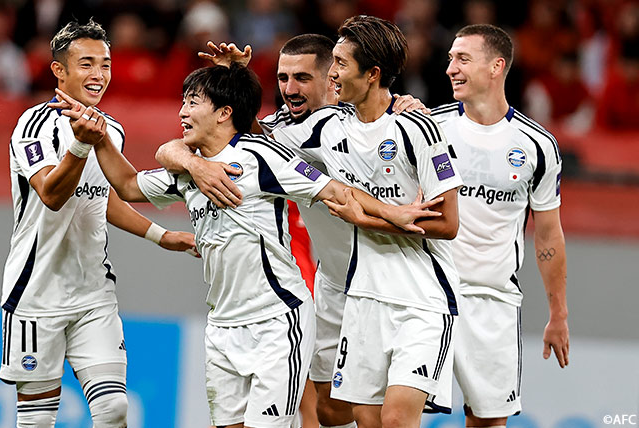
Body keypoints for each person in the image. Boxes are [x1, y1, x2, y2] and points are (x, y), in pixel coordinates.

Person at [50, 61, 444, 428]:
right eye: (183, 103)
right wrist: (98, 137)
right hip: (222, 326)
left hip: (277, 320)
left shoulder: (260, 156)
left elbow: (335, 190)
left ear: (224, 113)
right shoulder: (190, 169)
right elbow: (128, 185)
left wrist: (392, 212)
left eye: (193, 103)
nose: (182, 113)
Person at [156, 35, 430, 428]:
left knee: (386, 414)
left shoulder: (370, 123)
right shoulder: (277, 131)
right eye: (282, 78)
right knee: (328, 410)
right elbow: (205, 142)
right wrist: (232, 84)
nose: (289, 88)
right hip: (334, 282)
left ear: (332, 78)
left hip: (394, 277)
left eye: (302, 78)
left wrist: (409, 109)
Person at [0, 19, 196, 428]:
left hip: (94, 293)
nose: (98, 74)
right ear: (59, 71)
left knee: (114, 409)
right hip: (36, 293)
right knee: (37, 421)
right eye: (86, 64)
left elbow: (101, 198)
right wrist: (80, 144)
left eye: (105, 64)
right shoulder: (32, 126)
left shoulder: (111, 130)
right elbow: (51, 194)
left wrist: (160, 235)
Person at [271, 16, 463, 428]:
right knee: (360, 418)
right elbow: (256, 142)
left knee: (395, 419)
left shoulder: (419, 128)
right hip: (362, 298)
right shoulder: (326, 127)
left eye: (340, 64)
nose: (332, 74)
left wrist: (369, 221)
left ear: (372, 74)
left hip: (421, 298)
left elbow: (448, 223)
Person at [432, 23, 569, 427]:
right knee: (396, 413)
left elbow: (548, 235)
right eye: (450, 59)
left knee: (488, 421)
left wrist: (558, 314)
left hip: (493, 302)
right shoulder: (429, 129)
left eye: (463, 59)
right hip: (430, 294)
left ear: (496, 66)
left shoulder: (537, 146)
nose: (451, 68)